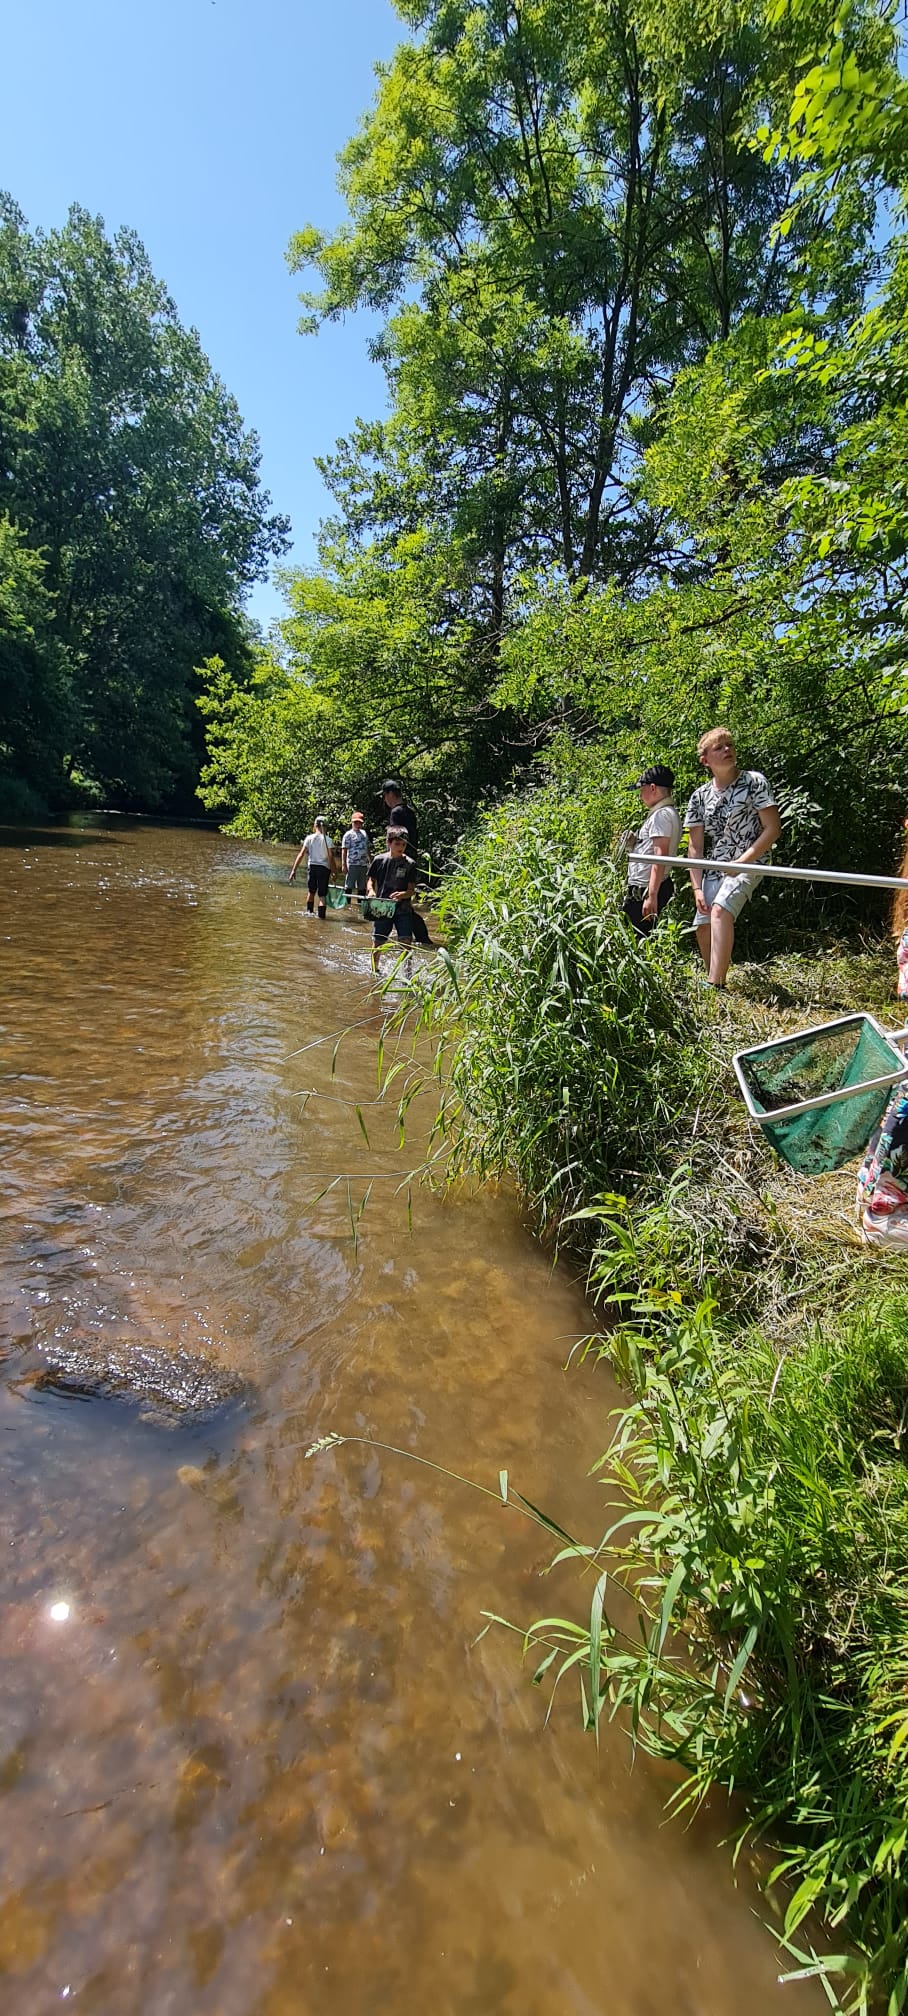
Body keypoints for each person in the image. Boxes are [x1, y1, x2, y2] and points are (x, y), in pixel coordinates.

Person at [685, 728, 781, 987]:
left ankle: (715, 984)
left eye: (730, 745)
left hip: (750, 861)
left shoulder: (754, 782)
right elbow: (694, 847)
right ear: (705, 759)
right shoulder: (699, 797)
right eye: (719, 747)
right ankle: (713, 978)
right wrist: (697, 888)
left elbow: (773, 828)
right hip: (715, 867)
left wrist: (742, 862)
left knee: (720, 911)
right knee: (703, 926)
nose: (727, 750)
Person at [622, 765, 681, 938]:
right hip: (645, 889)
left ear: (653, 788)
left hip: (646, 891)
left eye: (642, 790)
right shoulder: (664, 814)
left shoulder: (661, 816)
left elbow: (659, 856)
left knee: (638, 942)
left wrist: (651, 896)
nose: (640, 795)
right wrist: (634, 843)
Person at [379, 778, 434, 946]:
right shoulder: (409, 811)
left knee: (401, 902)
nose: (384, 800)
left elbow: (395, 838)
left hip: (400, 862)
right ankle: (419, 938)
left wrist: (390, 861)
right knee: (404, 901)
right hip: (410, 860)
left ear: (389, 794)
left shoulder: (396, 812)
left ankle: (420, 938)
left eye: (384, 796)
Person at [366, 825, 417, 972]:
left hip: (403, 909)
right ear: (388, 843)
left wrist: (403, 895)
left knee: (406, 942)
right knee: (378, 942)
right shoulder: (378, 860)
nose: (401, 847)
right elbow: (371, 881)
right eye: (397, 844)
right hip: (382, 906)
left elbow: (411, 890)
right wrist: (370, 891)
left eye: (403, 844)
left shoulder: (410, 864)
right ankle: (374, 971)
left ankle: (407, 973)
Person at [288, 816, 334, 919]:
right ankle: (322, 920)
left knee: (311, 892)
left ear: (315, 825)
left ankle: (309, 915)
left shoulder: (309, 838)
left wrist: (293, 870)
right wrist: (333, 871)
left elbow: (301, 855)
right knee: (322, 896)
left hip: (312, 867)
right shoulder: (328, 840)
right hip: (324, 868)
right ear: (325, 827)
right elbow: (331, 857)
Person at [341, 811, 371, 909]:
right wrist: (344, 865)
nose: (358, 825)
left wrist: (370, 862)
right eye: (356, 822)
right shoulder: (348, 835)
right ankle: (347, 905)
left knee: (362, 886)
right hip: (352, 864)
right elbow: (344, 850)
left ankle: (360, 905)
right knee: (349, 885)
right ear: (352, 823)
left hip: (363, 864)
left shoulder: (364, 834)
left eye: (360, 823)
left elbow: (367, 849)